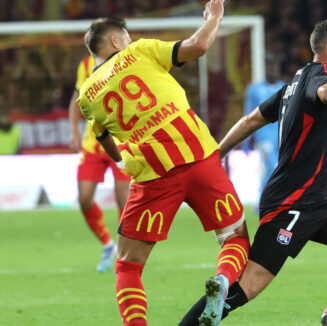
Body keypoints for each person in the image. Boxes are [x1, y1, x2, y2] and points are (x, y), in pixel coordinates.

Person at [180, 19, 327, 326]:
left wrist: (217, 153)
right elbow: (325, 92)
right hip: (291, 205)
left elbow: (251, 120)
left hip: (319, 204)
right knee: (249, 285)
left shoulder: (292, 85)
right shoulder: (319, 77)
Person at [77, 2, 250, 325]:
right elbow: (198, 45)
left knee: (128, 265)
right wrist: (215, 17)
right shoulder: (141, 51)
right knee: (235, 237)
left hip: (153, 173)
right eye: (125, 37)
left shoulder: (86, 95)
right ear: (115, 41)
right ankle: (224, 280)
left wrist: (126, 153)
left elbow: (110, 148)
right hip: (198, 154)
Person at [68, 55, 131, 273]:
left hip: (121, 140)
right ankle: (107, 244)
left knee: (124, 198)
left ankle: (124, 252)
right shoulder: (85, 64)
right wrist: (74, 130)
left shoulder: (128, 60)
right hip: (93, 141)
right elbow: (76, 98)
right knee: (84, 197)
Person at [241, 53, 285, 197]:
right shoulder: (254, 89)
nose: (272, 70)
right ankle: (263, 199)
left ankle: (275, 199)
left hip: (281, 135)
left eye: (274, 67)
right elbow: (248, 115)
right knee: (271, 166)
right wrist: (246, 141)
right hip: (263, 136)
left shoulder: (284, 88)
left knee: (278, 168)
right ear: (265, 69)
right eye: (269, 67)